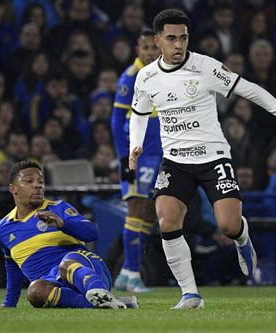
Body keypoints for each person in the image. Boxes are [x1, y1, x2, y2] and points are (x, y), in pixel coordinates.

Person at [128, 9, 276, 309]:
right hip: (175, 161)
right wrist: (135, 145)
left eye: (183, 38)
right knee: (167, 221)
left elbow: (251, 91)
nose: (178, 44)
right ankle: (190, 294)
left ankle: (243, 240)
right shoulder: (147, 76)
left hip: (213, 157)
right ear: (157, 41)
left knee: (229, 226)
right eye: (171, 39)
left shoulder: (205, 67)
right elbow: (139, 115)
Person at [0, 160, 138, 309]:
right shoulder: (3, 229)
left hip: (87, 270)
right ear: (13, 189)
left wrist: (62, 224)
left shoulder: (58, 208)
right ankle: (111, 302)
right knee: (34, 291)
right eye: (29, 181)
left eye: (41, 181)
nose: (37, 185)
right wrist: (9, 303)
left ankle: (98, 290)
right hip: (54, 283)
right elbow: (12, 267)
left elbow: (92, 233)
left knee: (66, 264)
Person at [111, 29, 161, 293]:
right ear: (137, 49)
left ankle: (128, 273)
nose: (150, 53)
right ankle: (131, 277)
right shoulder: (130, 78)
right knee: (136, 209)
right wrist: (124, 157)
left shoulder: (163, 75)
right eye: (145, 48)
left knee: (149, 213)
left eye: (154, 48)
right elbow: (117, 121)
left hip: (158, 155)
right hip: (138, 157)